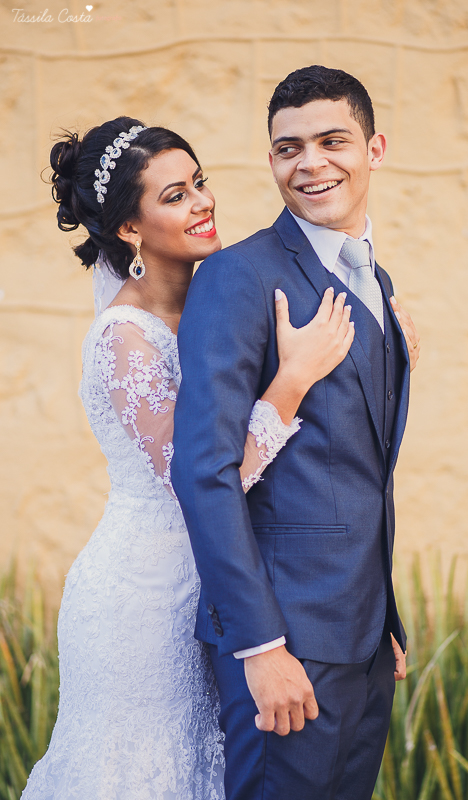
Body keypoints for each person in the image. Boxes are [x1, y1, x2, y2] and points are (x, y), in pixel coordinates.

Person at [21, 117, 361, 800]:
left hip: (216, 584)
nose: (203, 203)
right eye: (174, 196)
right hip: (143, 596)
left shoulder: (213, 306)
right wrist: (292, 380)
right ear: (128, 230)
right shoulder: (126, 337)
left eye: (199, 183)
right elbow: (199, 476)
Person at [172, 65, 420, 800]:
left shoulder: (376, 281)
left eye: (331, 140)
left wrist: (383, 618)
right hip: (283, 640)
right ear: (271, 160)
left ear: (373, 149)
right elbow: (205, 470)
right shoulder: (237, 278)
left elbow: (357, 465)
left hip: (362, 635)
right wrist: (259, 645)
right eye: (287, 148)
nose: (310, 163)